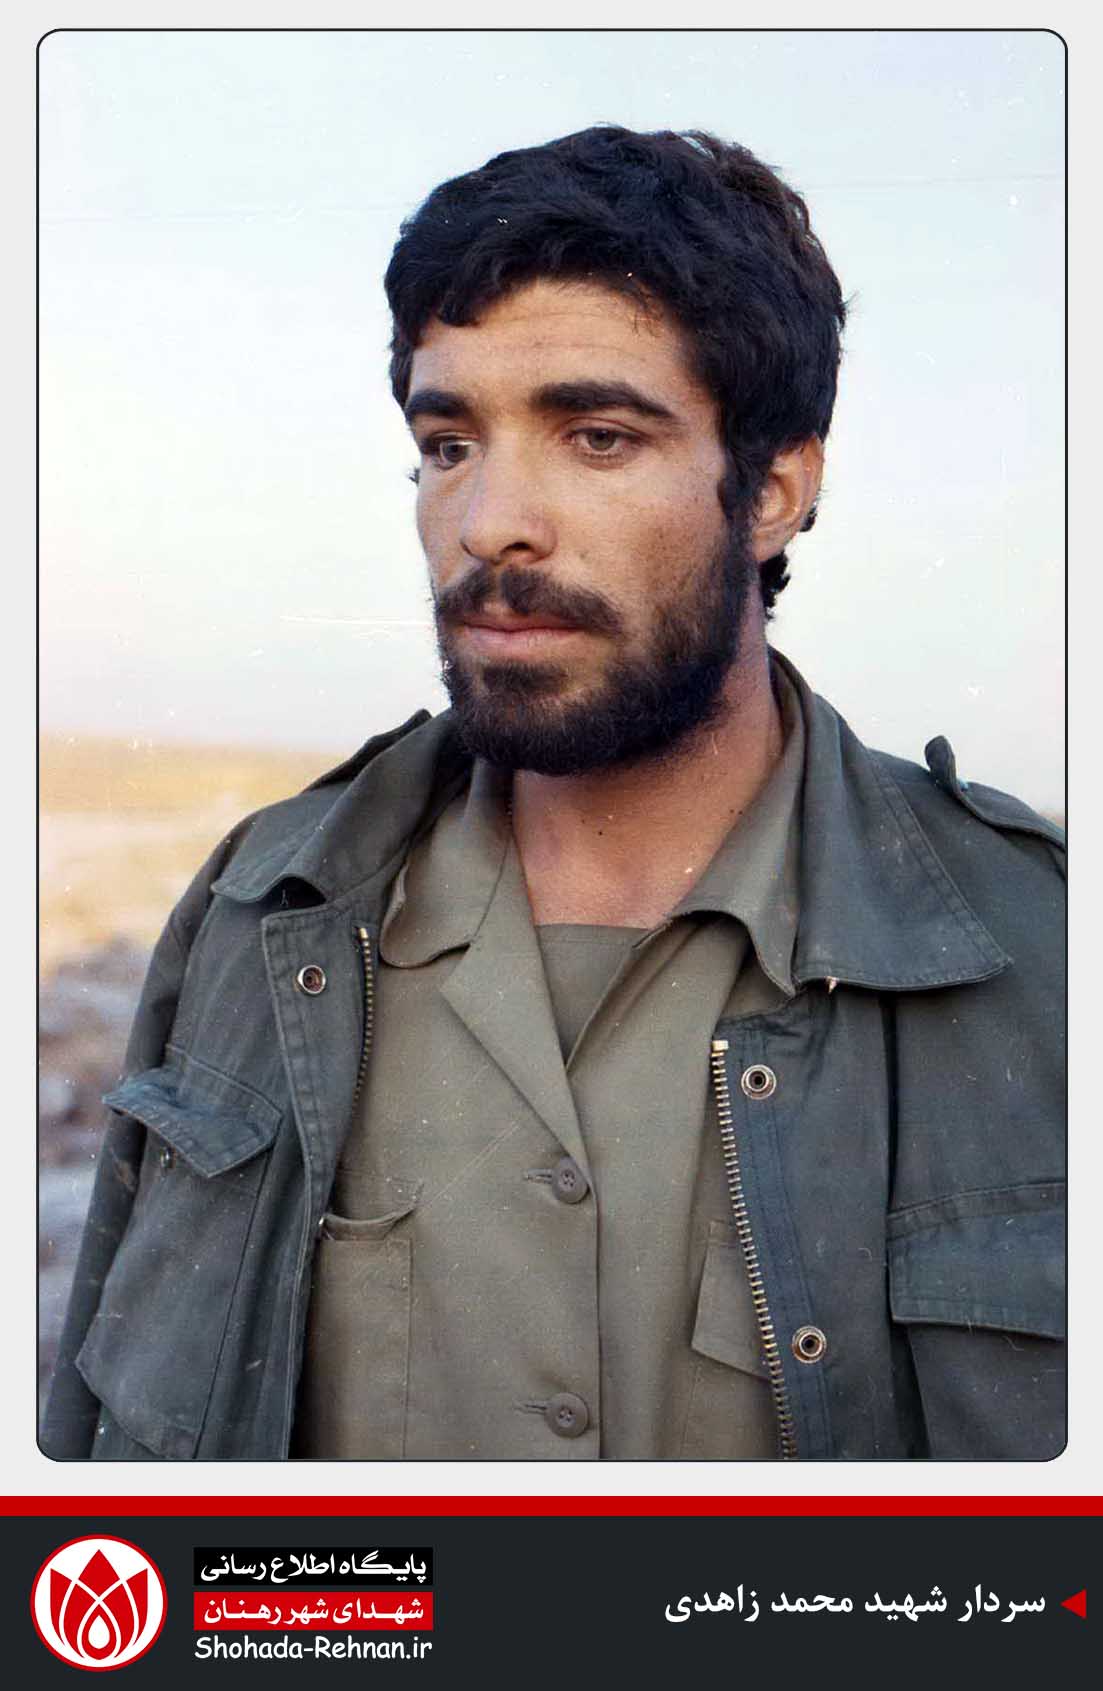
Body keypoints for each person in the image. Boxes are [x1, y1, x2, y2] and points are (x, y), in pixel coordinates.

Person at [44, 126, 1065, 1462]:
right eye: (448, 442)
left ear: (772, 489)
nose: (488, 523)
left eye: (595, 436)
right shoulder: (262, 913)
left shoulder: (1037, 946)